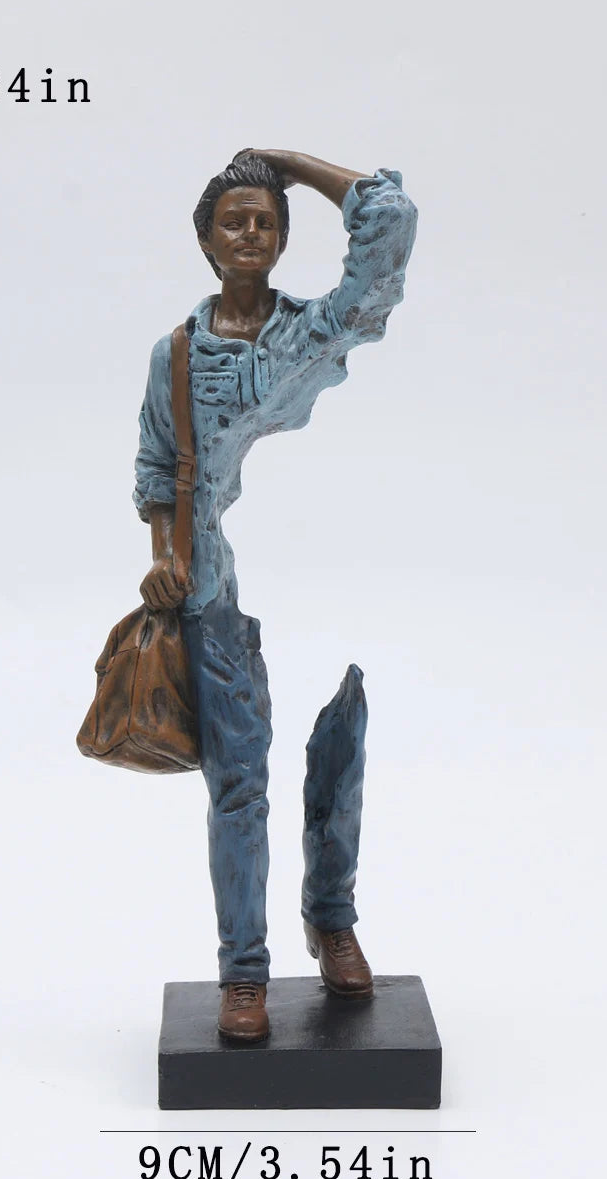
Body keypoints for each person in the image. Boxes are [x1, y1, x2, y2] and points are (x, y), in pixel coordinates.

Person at [133, 148, 417, 1041]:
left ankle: (331, 920)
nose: (250, 231)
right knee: (237, 783)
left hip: (374, 566)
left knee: (344, 743)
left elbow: (389, 233)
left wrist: (287, 163)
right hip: (213, 594)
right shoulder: (179, 355)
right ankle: (244, 972)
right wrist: (164, 553)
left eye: (265, 219)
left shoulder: (309, 333)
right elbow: (157, 466)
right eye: (234, 221)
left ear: (285, 237)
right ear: (207, 242)